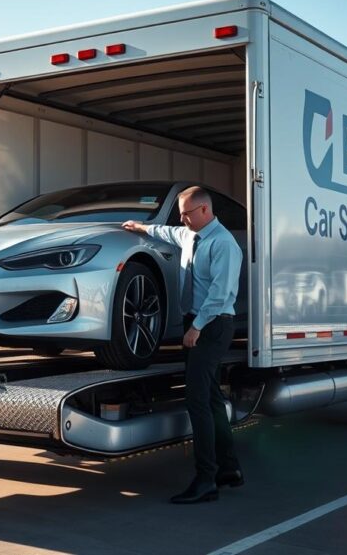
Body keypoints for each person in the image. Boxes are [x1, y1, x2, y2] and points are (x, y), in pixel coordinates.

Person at [122, 186, 244, 504]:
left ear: (204, 211)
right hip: (197, 322)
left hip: (213, 325)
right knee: (213, 399)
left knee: (198, 402)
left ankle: (206, 481)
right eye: (181, 214)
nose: (182, 219)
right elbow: (166, 232)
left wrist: (196, 329)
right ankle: (228, 469)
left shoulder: (224, 244)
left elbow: (220, 295)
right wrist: (140, 227)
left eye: (187, 213)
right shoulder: (190, 234)